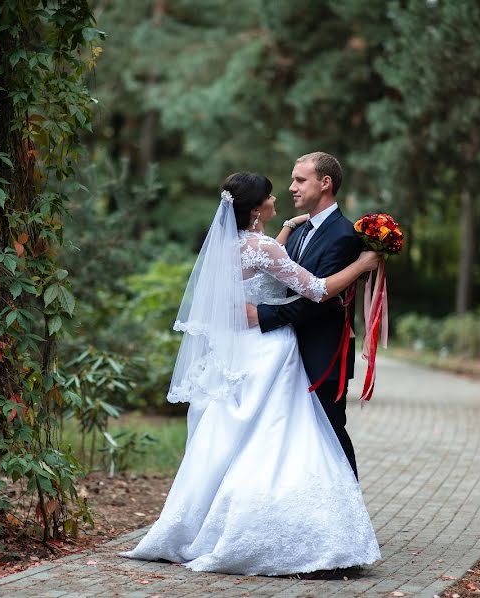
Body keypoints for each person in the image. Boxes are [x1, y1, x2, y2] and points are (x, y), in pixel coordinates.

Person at [121, 171, 381, 575]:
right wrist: (363, 263)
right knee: (277, 439)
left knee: (229, 439)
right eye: (273, 196)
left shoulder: (228, 246)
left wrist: (281, 233)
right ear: (258, 207)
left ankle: (197, 525)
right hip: (270, 352)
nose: (280, 197)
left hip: (235, 354)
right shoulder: (263, 247)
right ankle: (273, 528)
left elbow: (257, 271)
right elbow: (315, 289)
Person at [247, 152, 362, 478]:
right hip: (287, 355)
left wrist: (260, 316)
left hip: (323, 354)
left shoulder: (343, 235)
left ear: (325, 183)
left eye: (300, 180)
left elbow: (317, 300)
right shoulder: (298, 231)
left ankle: (352, 514)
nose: (291, 188)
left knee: (331, 435)